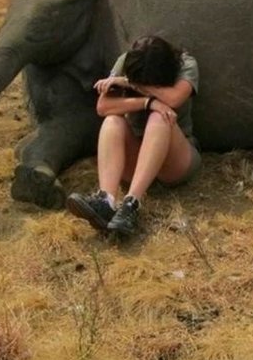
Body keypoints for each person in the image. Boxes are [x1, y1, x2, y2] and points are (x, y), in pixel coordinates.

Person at [66, 34, 201, 237]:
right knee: (113, 121)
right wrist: (147, 102)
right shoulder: (126, 61)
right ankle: (106, 201)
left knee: (160, 117)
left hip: (174, 158)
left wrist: (131, 84)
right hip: (136, 155)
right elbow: (103, 107)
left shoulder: (186, 63)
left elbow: (173, 99)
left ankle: (131, 204)